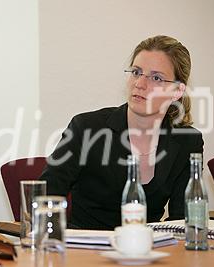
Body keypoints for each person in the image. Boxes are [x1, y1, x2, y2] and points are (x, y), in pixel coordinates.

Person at [40, 35, 203, 230]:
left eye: (156, 78)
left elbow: (183, 221)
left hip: (147, 252)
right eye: (136, 72)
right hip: (86, 251)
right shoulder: (86, 128)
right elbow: (44, 198)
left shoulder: (187, 142)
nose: (140, 84)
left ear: (177, 91)